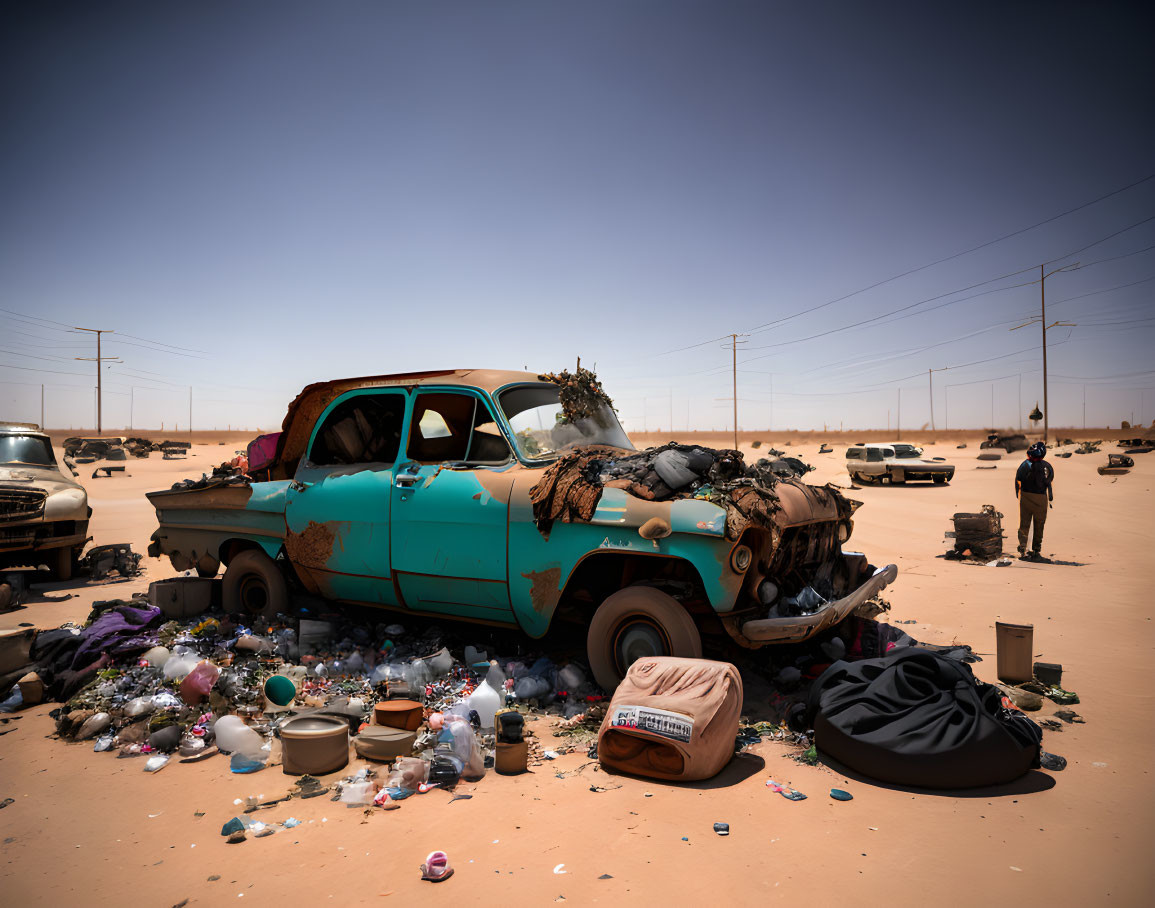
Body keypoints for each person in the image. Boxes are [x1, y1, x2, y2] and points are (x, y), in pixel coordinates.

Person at [1014, 441, 1054, 560]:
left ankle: (1022, 548)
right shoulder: (1047, 466)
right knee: (1039, 525)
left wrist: (1019, 495)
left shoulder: (1024, 465)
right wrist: (1050, 497)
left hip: (1025, 497)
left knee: (1024, 524)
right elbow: (1049, 482)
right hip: (1041, 499)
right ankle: (1036, 550)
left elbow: (1018, 480)